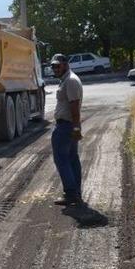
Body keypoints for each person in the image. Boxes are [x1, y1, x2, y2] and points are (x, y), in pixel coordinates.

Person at [50, 53, 85, 206]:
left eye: (58, 66)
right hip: (68, 125)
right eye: (53, 66)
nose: (55, 69)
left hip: (66, 126)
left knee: (62, 160)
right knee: (71, 158)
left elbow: (74, 106)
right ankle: (75, 192)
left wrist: (76, 128)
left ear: (66, 64)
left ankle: (71, 193)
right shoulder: (67, 79)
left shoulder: (70, 81)